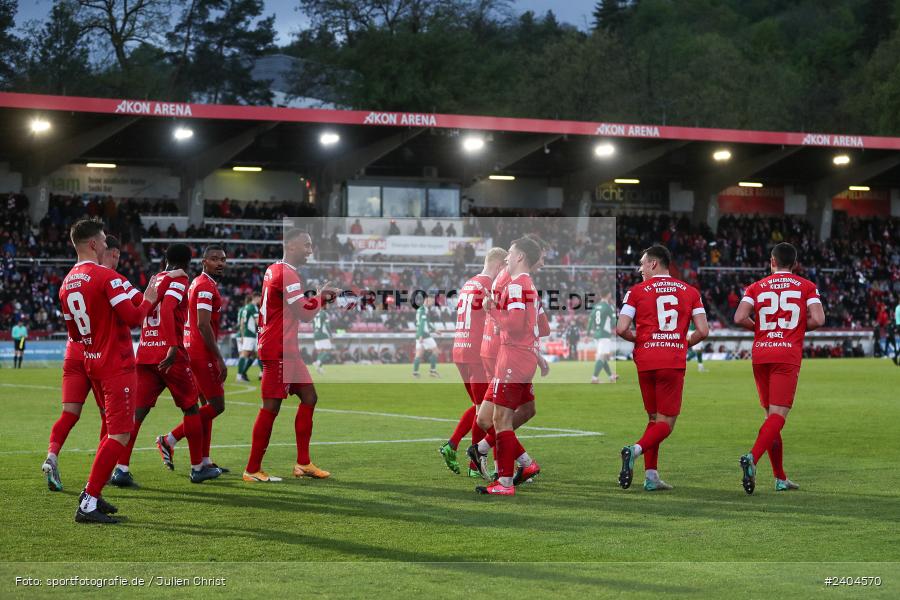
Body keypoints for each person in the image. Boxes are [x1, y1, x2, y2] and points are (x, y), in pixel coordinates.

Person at [59, 219, 158, 523]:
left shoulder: (66, 283)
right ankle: (88, 500)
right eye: (103, 240)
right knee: (120, 434)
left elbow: (74, 334)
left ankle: (94, 494)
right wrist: (149, 299)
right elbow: (133, 317)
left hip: (92, 361)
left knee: (113, 429)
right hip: (116, 365)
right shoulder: (106, 277)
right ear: (93, 244)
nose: (106, 245)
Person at [111, 244, 219, 487]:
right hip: (170, 355)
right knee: (191, 409)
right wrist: (172, 345)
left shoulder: (155, 280)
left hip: (145, 353)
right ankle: (198, 468)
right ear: (187, 263)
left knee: (137, 414)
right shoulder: (180, 279)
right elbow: (169, 307)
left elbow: (146, 306)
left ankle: (121, 468)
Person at [733, 242, 825, 494]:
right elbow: (818, 319)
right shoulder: (807, 286)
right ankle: (752, 457)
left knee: (770, 418)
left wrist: (763, 329)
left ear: (772, 261)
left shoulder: (756, 286)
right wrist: (794, 329)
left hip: (761, 353)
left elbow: (739, 317)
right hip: (786, 353)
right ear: (795, 264)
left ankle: (780, 478)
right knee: (778, 417)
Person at [243, 229, 335, 482]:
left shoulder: (274, 269)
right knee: (270, 407)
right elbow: (305, 313)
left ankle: (303, 463)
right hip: (278, 349)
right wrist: (322, 298)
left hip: (286, 349)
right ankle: (252, 469)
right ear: (291, 246)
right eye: (306, 245)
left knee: (309, 397)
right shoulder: (287, 274)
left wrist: (319, 298)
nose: (310, 250)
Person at [615, 244, 708, 492]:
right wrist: (682, 342)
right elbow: (703, 331)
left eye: (642, 264)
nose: (640, 269)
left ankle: (651, 476)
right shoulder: (691, 292)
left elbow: (621, 328)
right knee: (666, 423)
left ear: (654, 264)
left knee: (654, 419)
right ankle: (634, 450)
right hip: (671, 360)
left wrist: (642, 340)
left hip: (645, 360)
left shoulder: (635, 292)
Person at [42, 235, 124, 492]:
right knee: (109, 419)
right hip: (98, 354)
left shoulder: (74, 278)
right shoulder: (106, 279)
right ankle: (99, 476)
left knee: (69, 413)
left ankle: (52, 455)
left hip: (73, 353)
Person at [474, 237, 544, 496]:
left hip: (513, 357)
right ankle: (516, 468)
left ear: (520, 257)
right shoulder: (526, 284)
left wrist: (491, 310)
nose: (507, 257)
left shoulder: (516, 285)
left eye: (511, 253)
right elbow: (535, 326)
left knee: (500, 419)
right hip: (520, 357)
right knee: (495, 417)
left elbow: (514, 325)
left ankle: (504, 482)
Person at [156, 246, 228, 474]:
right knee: (216, 406)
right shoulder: (206, 286)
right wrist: (219, 357)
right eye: (214, 259)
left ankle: (204, 460)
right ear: (204, 262)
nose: (220, 263)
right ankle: (169, 439)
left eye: (223, 259)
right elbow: (203, 324)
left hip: (192, 349)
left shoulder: (198, 282)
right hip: (201, 352)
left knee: (206, 405)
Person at [439, 247, 508, 476]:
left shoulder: (469, 283)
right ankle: (473, 464)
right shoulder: (490, 286)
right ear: (499, 265)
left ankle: (454, 446)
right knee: (485, 410)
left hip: (460, 348)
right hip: (477, 352)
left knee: (480, 406)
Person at [589, 291, 618, 383]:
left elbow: (590, 320)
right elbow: (614, 320)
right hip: (604, 335)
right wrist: (615, 328)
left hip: (596, 335)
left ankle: (611, 376)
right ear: (608, 295)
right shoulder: (608, 307)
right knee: (602, 357)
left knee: (603, 357)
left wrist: (587, 334)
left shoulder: (596, 306)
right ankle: (594, 378)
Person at [236, 293, 261, 382]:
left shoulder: (245, 308)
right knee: (245, 354)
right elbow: (258, 322)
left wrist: (242, 334)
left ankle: (243, 374)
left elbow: (241, 322)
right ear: (256, 298)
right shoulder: (253, 307)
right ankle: (239, 375)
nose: (260, 300)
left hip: (247, 333)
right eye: (260, 298)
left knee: (255, 355)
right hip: (250, 334)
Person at [413, 295, 440, 378]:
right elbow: (422, 323)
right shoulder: (423, 310)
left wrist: (434, 330)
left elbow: (425, 322)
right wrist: (421, 335)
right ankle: (432, 371)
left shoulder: (421, 309)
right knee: (436, 351)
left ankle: (415, 373)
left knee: (419, 353)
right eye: (431, 301)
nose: (432, 302)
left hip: (419, 334)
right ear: (427, 300)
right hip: (424, 335)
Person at [312, 308, 333, 374]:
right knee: (327, 351)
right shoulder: (324, 313)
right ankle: (317, 362)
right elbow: (327, 325)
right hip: (323, 334)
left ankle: (320, 368)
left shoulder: (313, 314)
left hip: (315, 334)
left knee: (320, 352)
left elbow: (313, 326)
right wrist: (330, 335)